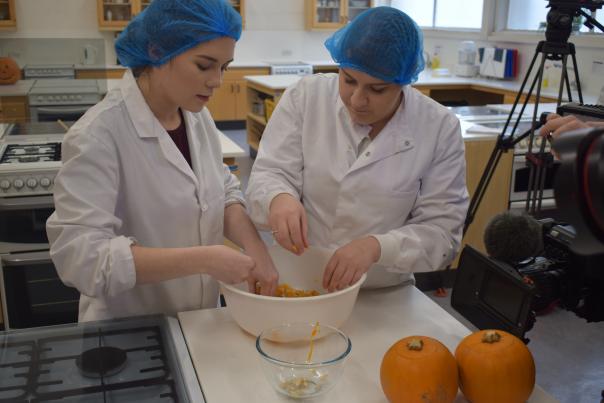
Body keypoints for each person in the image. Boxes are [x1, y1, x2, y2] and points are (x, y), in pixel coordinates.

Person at [46, 0, 278, 323]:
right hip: (129, 334)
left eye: (223, 67)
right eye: (204, 65)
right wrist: (204, 260)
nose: (217, 81)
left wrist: (256, 247)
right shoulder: (99, 134)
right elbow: (82, 258)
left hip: (198, 323)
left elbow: (222, 191)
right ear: (157, 52)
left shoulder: (197, 117)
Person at [246, 7, 469, 292]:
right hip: (299, 277)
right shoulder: (306, 97)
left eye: (377, 90)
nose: (357, 100)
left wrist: (378, 247)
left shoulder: (438, 127)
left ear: (403, 83)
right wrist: (278, 198)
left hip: (381, 290)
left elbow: (443, 233)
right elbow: (270, 172)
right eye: (348, 80)